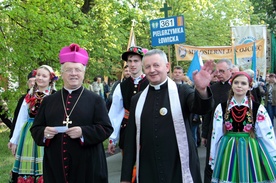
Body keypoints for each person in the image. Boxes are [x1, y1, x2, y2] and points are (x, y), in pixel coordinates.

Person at [120, 49, 215, 183]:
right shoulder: (137, 99)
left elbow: (201, 109)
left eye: (156, 65)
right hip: (149, 168)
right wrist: (125, 178)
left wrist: (201, 90)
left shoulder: (182, 91)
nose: (152, 70)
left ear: (167, 66)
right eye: (147, 67)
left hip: (178, 165)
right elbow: (130, 141)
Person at [30, 43, 113, 183]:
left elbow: (106, 128)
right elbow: (36, 128)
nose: (73, 74)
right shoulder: (49, 101)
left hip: (88, 166)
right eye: (69, 70)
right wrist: (43, 132)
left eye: (78, 70)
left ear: (84, 73)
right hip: (55, 165)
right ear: (62, 73)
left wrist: (83, 132)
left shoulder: (95, 100)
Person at [209, 71, 276, 182]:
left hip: (251, 148)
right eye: (236, 82)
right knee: (229, 175)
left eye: (243, 83)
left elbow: (266, 135)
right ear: (231, 84)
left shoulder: (257, 108)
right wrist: (214, 156)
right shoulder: (221, 107)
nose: (239, 86)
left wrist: (273, 156)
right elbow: (216, 134)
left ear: (249, 87)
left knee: (250, 176)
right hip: (228, 147)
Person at [9, 65, 57, 183]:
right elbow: (21, 118)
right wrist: (14, 140)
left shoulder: (55, 96)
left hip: (48, 134)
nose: (40, 78)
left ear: (50, 79)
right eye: (38, 75)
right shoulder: (29, 96)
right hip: (28, 135)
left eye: (44, 76)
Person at [108, 46, 148, 154]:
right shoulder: (121, 86)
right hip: (127, 131)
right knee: (129, 167)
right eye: (129, 61)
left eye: (136, 61)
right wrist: (112, 138)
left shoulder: (150, 82)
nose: (132, 64)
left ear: (142, 62)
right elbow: (115, 112)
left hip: (148, 131)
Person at [202, 59, 233, 183]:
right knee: (211, 162)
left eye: (222, 71)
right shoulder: (212, 88)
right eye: (217, 71)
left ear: (230, 71)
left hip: (231, 132)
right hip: (213, 130)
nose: (219, 74)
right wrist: (204, 134)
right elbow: (207, 113)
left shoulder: (238, 87)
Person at [8, 70, 36, 139]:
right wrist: (12, 137)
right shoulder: (23, 99)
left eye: (34, 81)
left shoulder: (48, 97)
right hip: (26, 132)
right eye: (30, 81)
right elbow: (17, 118)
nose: (32, 83)